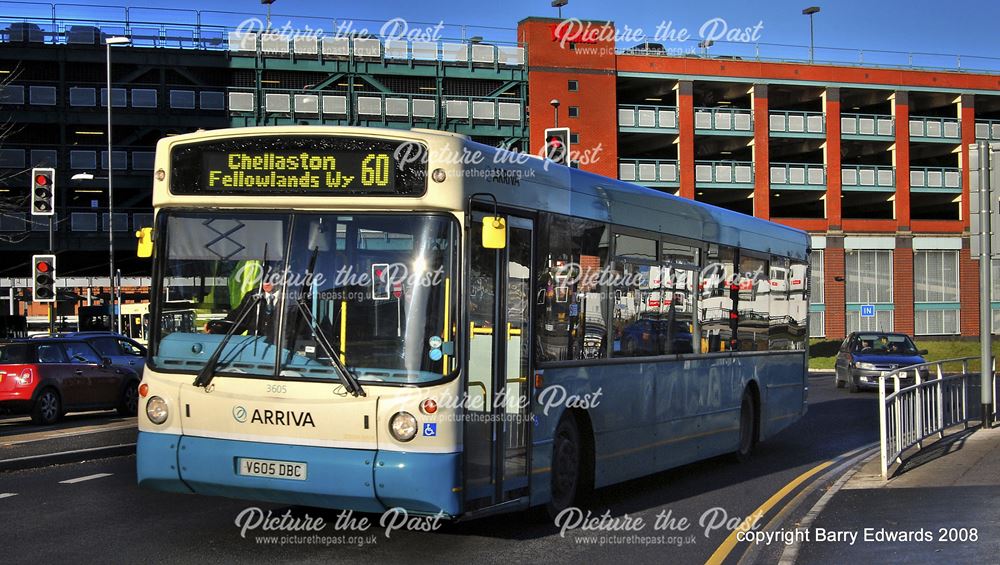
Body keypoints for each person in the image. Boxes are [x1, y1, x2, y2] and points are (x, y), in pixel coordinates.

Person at [206, 280, 283, 336]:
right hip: (252, 350)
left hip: (281, 352)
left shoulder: (292, 298)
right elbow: (238, 319)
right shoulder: (253, 296)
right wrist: (218, 327)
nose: (266, 281)